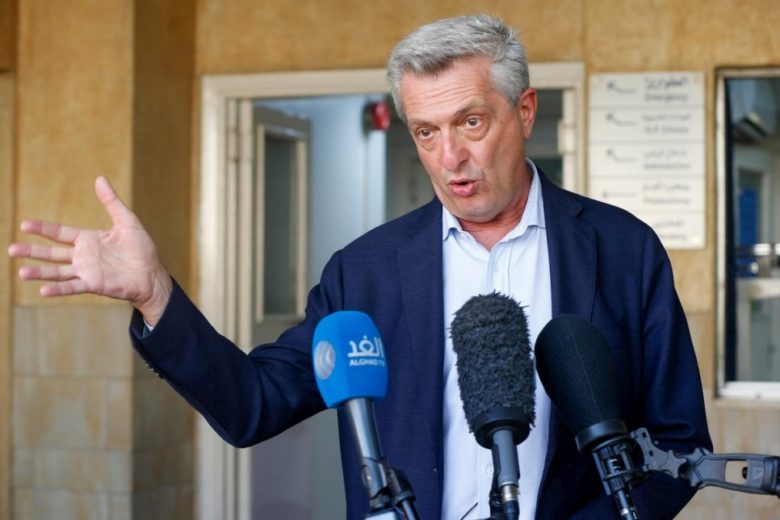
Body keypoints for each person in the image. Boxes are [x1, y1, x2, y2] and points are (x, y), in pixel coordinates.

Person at [8, 14, 710, 520]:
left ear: (524, 110)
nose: (449, 159)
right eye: (426, 132)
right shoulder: (367, 271)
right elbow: (253, 404)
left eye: (470, 122)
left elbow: (678, 446)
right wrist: (157, 297)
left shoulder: (621, 250)